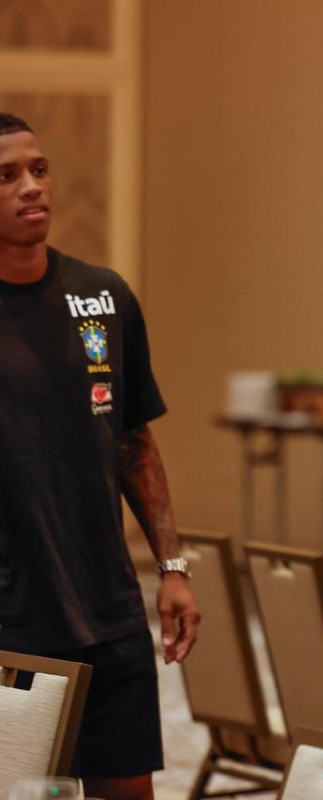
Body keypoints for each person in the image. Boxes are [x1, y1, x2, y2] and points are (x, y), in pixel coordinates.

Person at [0, 113, 200, 800]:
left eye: (40, 169)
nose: (32, 187)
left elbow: (133, 442)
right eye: (7, 176)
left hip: (108, 610)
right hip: (12, 616)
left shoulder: (104, 296)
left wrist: (171, 568)